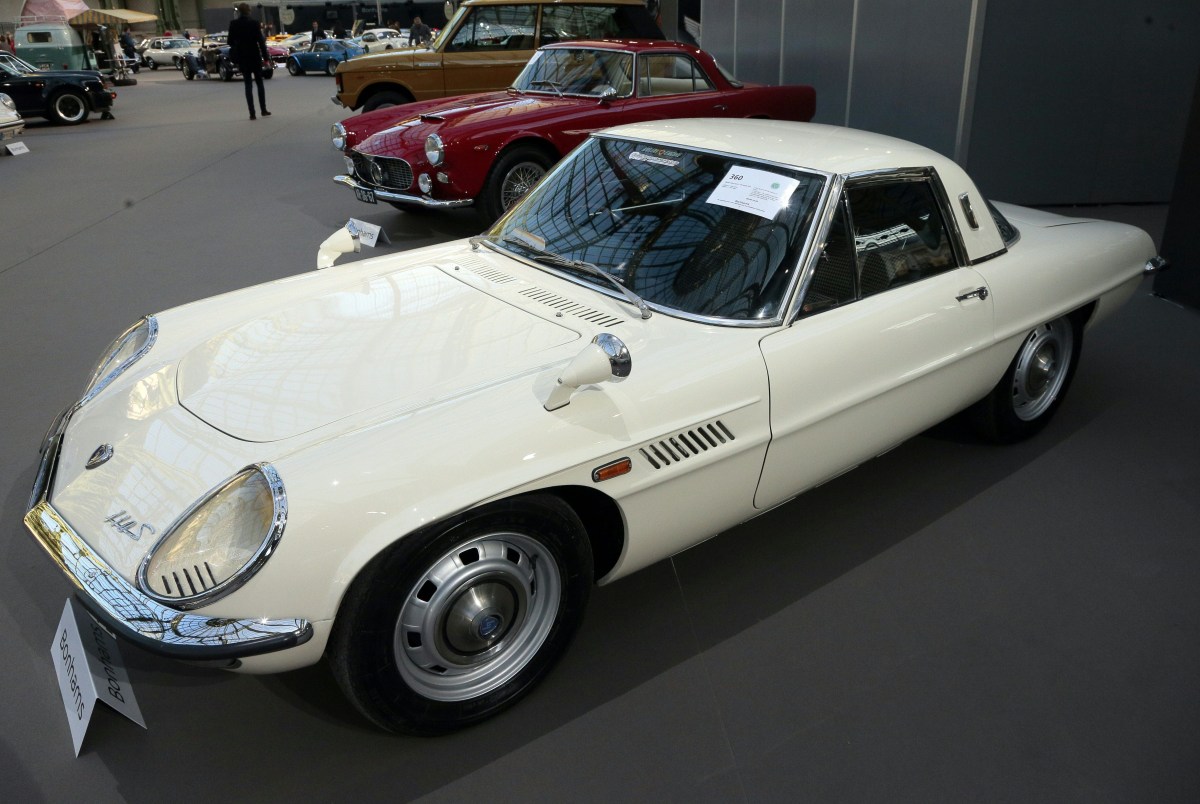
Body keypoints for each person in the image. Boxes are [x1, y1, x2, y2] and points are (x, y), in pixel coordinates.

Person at [228, 3, 271, 120]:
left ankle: (252, 113)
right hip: (254, 56)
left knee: (248, 85)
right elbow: (261, 42)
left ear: (239, 11)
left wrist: (239, 45)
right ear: (248, 11)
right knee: (259, 83)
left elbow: (230, 41)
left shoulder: (234, 24)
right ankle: (263, 110)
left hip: (243, 58)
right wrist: (266, 59)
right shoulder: (254, 23)